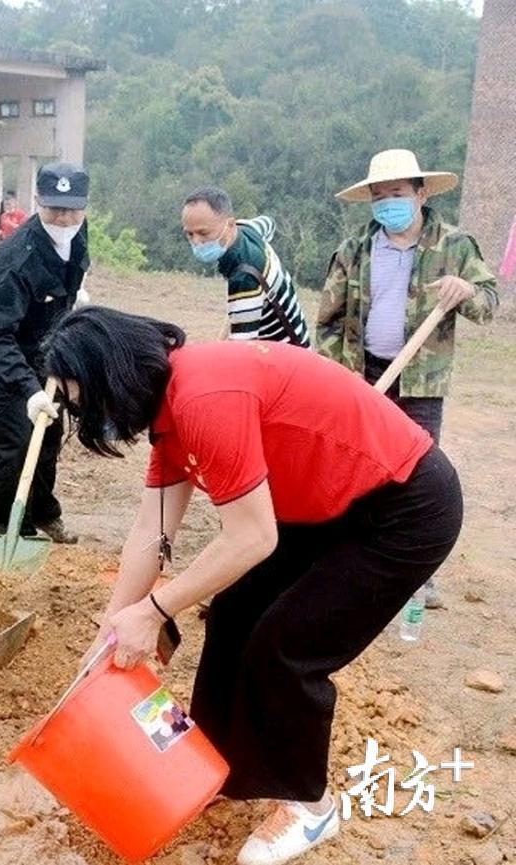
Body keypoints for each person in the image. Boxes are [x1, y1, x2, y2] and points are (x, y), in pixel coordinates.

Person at [43, 306, 463, 865]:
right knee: (235, 611)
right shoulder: (170, 417)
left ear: (113, 379)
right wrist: (111, 631)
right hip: (328, 505)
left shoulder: (203, 398)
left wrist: (154, 611)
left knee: (287, 645)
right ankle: (212, 765)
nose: (84, 418)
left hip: (405, 506)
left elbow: (253, 538)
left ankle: (312, 809)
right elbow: (151, 530)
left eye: (82, 401)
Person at [318, 149, 498, 607]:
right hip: (363, 376)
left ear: (420, 193)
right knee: (359, 467)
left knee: (418, 477)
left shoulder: (455, 246)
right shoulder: (354, 249)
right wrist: (342, 378)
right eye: (379, 196)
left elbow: (490, 304)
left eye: (397, 193)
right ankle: (352, 560)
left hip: (421, 382)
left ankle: (418, 576)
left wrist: (467, 291)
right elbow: (329, 322)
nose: (387, 204)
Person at [0, 162, 91, 544]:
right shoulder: (15, 257)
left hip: (42, 347)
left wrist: (72, 301)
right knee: (15, 442)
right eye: (54, 209)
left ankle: (43, 512)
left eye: (72, 209)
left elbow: (71, 279)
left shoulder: (78, 235)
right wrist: (28, 389)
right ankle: (9, 529)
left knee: (48, 436)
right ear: (37, 202)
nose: (64, 218)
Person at [181, 187, 310, 346]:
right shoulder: (247, 228)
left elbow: (240, 348)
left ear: (230, 225)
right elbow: (269, 222)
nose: (196, 242)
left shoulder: (244, 278)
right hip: (297, 333)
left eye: (204, 233)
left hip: (286, 354)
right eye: (189, 234)